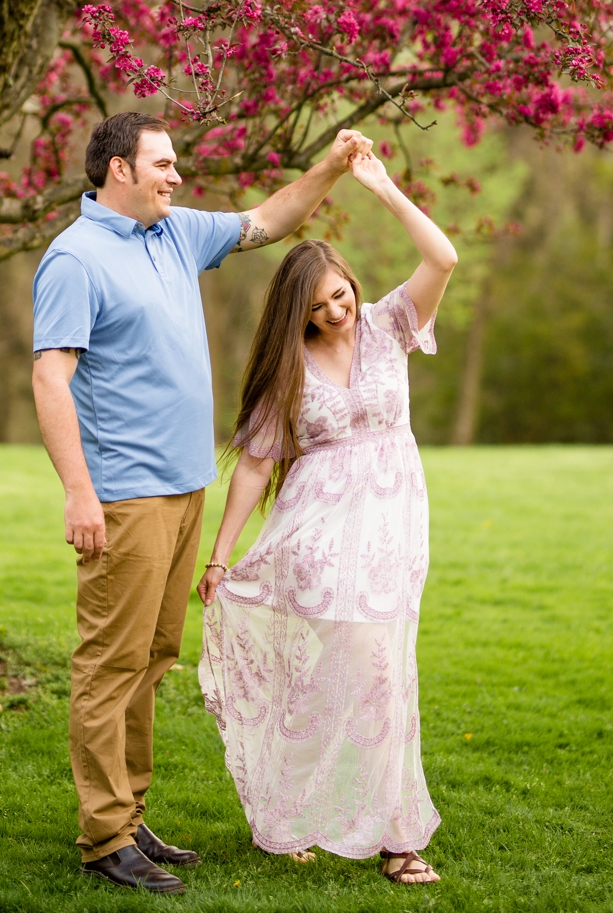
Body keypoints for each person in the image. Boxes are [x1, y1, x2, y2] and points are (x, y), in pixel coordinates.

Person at [31, 112, 368, 895]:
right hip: (125, 494)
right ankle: (103, 835)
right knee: (110, 665)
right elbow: (52, 377)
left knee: (151, 659)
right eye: (163, 164)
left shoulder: (174, 233)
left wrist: (330, 168)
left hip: (185, 489)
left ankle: (130, 814)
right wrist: (79, 493)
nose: (176, 176)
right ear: (119, 170)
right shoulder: (74, 258)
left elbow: (269, 220)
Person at [196, 140, 457, 886]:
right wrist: (220, 555)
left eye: (340, 295)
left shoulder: (390, 324)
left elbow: (444, 260)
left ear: (351, 280)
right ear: (299, 316)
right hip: (313, 537)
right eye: (319, 309)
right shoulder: (290, 367)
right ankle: (392, 839)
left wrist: (382, 187)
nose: (337, 313)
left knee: (378, 672)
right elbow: (254, 465)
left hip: (391, 533)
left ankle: (322, 819)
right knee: (358, 675)